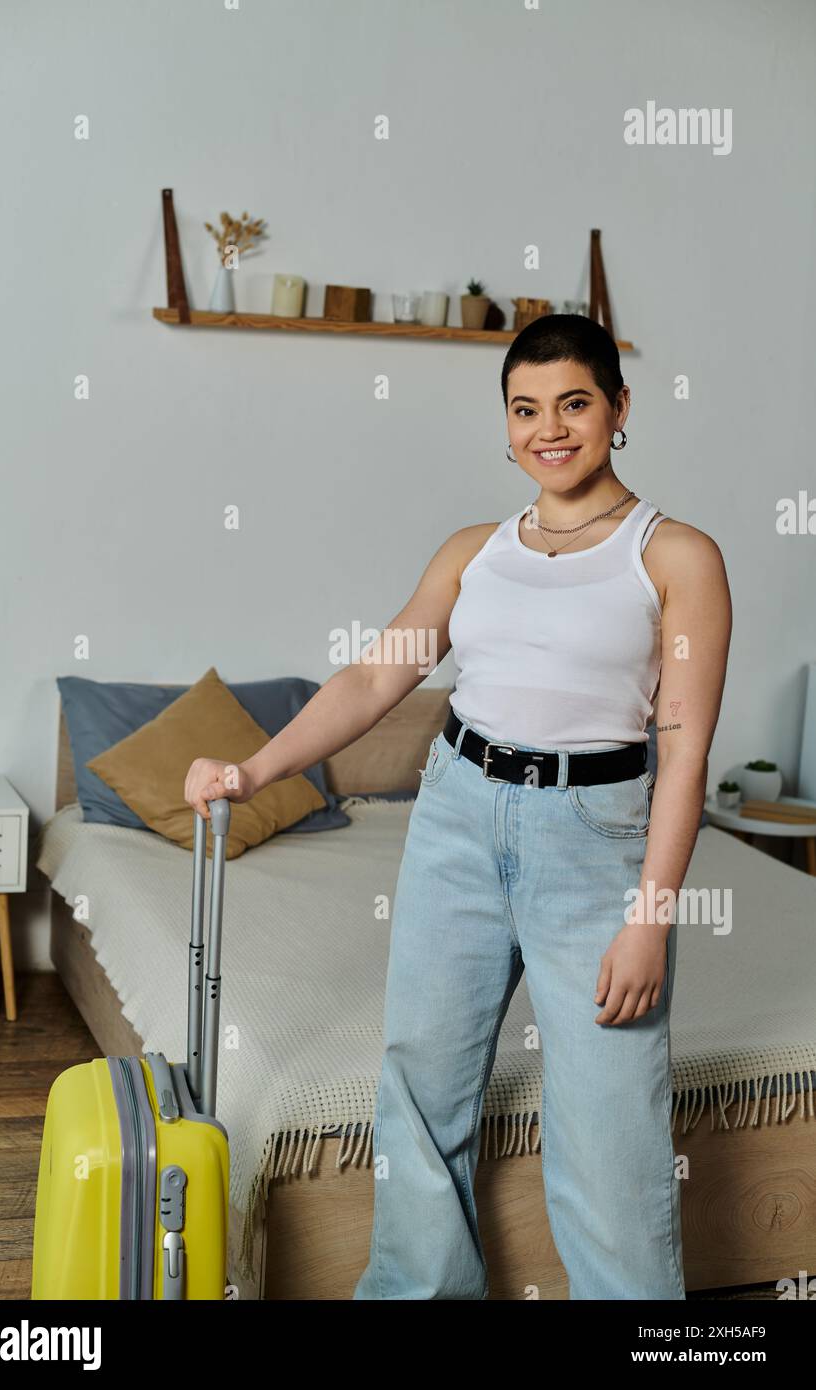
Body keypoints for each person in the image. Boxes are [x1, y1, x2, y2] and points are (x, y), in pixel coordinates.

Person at [184, 314, 733, 1300]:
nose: (548, 429)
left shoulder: (675, 556)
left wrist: (647, 917)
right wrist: (253, 770)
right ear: (505, 426)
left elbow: (683, 749)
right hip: (456, 815)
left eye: (572, 402)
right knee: (417, 1087)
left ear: (617, 407)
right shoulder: (473, 551)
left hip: (593, 839)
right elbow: (373, 679)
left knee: (608, 1120)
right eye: (524, 410)